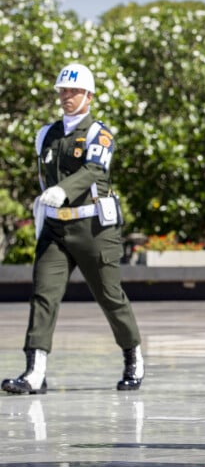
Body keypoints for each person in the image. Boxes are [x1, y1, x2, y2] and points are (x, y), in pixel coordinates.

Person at [1, 63, 145, 395]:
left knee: (110, 296)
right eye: (63, 91)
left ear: (89, 95)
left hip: (93, 226)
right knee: (43, 295)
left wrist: (64, 190)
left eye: (75, 91)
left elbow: (95, 169)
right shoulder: (46, 134)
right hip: (55, 228)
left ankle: (133, 356)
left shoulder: (99, 133)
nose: (67, 97)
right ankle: (34, 371)